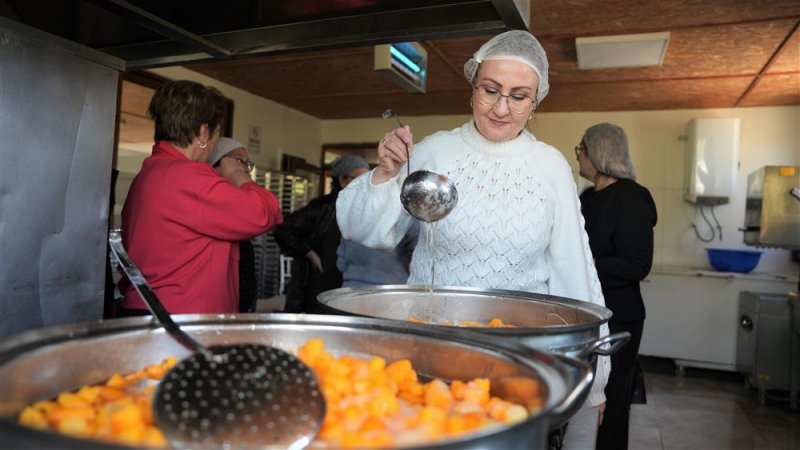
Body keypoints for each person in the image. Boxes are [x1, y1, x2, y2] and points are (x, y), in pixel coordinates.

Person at [336, 29, 610, 415]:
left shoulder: (550, 167)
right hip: (431, 346)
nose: (501, 109)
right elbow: (364, 230)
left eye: (518, 97)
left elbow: (573, 267)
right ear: (472, 88)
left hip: (517, 354)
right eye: (490, 90)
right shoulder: (436, 150)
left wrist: (595, 379)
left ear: (535, 103)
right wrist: (384, 173)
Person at [117, 80, 282, 316]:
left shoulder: (149, 173)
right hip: (182, 316)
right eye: (216, 133)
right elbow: (264, 212)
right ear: (204, 132)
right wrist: (237, 174)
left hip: (150, 307)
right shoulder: (187, 175)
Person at [576, 123, 657, 450]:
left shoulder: (633, 197)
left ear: (598, 152)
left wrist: (591, 266)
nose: (578, 156)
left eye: (580, 148)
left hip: (619, 317)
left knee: (613, 396)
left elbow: (637, 264)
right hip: (588, 314)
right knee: (585, 395)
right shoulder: (586, 198)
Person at [274, 155, 370, 312]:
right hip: (322, 280)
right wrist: (309, 253)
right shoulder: (321, 207)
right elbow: (284, 229)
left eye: (368, 179)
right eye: (359, 179)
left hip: (350, 282)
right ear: (342, 180)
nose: (365, 185)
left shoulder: (367, 207)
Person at [208, 137, 259, 313]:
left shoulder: (239, 197)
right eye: (239, 160)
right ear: (215, 164)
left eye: (247, 163)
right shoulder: (208, 201)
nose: (245, 168)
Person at [337, 222, 418, 287]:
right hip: (393, 295)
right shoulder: (407, 211)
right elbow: (423, 261)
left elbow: (340, 264)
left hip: (350, 293)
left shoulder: (350, 212)